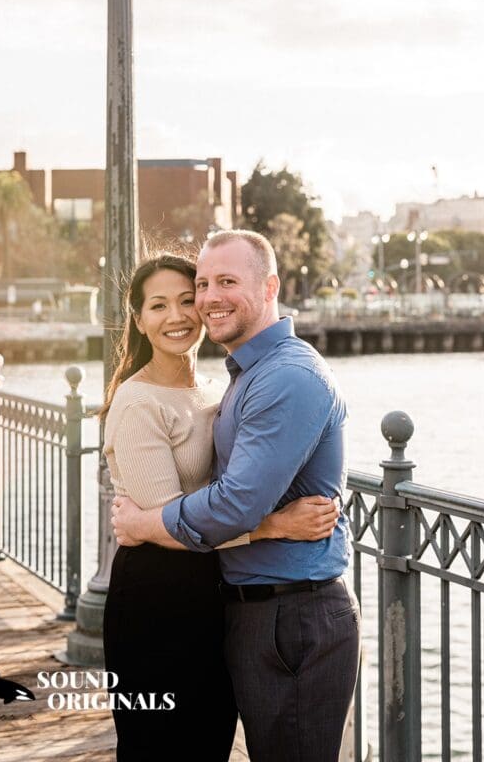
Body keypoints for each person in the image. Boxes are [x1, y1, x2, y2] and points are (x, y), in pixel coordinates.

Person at [111, 231, 361, 762]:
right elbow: (227, 503)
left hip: (287, 612)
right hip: (184, 601)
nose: (204, 300)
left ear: (270, 287)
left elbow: (230, 504)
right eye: (203, 284)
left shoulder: (279, 377)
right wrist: (271, 524)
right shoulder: (234, 380)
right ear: (137, 319)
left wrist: (143, 525)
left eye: (224, 282)